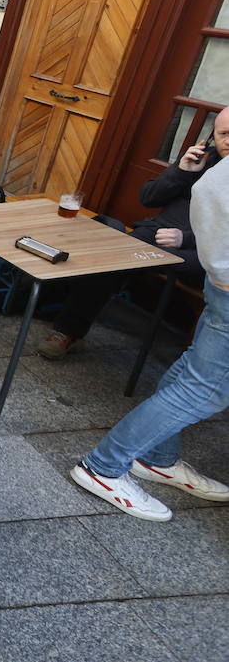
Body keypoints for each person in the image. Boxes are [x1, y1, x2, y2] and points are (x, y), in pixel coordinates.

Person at [69, 152, 229, 521]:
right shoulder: (207, 169)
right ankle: (103, 467)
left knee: (194, 372)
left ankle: (157, 458)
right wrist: (220, 270)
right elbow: (198, 192)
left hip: (211, 274)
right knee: (205, 389)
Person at [40, 110, 228, 360]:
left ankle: (192, 369)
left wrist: (186, 237)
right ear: (212, 136)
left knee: (134, 255)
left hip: (204, 252)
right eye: (223, 134)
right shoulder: (204, 159)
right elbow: (148, 197)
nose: (228, 141)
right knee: (112, 256)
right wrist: (182, 172)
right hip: (155, 234)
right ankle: (68, 332)